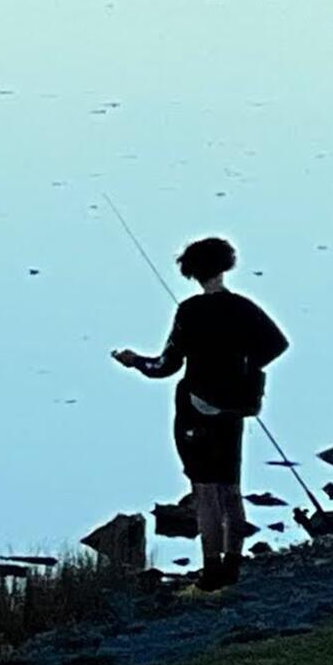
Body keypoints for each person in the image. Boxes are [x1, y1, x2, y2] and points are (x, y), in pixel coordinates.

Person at [113, 235, 288, 588]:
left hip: (196, 411)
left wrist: (134, 362)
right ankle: (233, 566)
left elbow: (165, 366)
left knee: (205, 491)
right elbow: (277, 344)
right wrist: (244, 370)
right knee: (232, 489)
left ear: (192, 272)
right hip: (235, 410)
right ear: (226, 266)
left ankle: (211, 572)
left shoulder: (190, 313)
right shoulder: (244, 307)